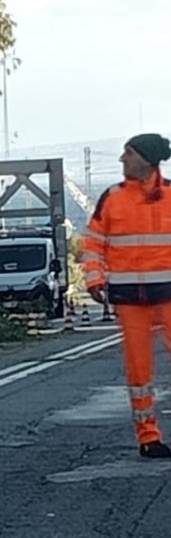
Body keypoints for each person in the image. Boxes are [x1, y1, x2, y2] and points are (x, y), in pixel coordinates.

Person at [81, 133, 171, 458]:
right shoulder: (112, 198)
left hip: (168, 295)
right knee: (138, 372)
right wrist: (94, 279)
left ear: (147, 159)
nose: (122, 160)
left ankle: (150, 436)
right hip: (130, 299)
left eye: (128, 154)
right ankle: (148, 438)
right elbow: (92, 243)